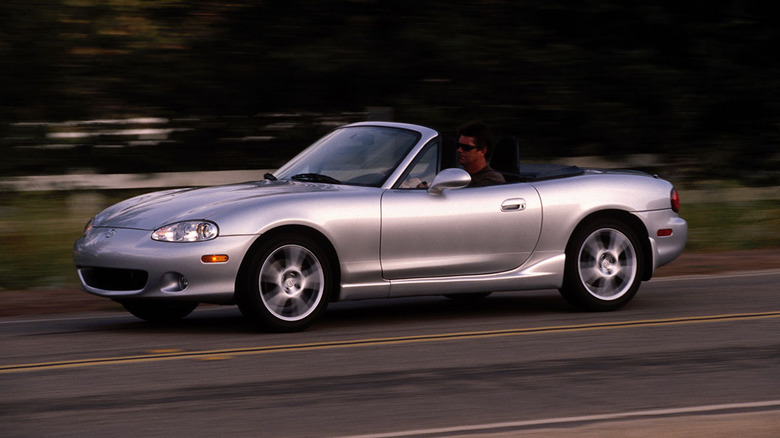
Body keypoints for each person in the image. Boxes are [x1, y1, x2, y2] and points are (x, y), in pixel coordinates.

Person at [456, 121, 505, 187]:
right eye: (458, 145)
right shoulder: (457, 176)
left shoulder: (492, 180)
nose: (459, 150)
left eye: (466, 147)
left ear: (482, 151)